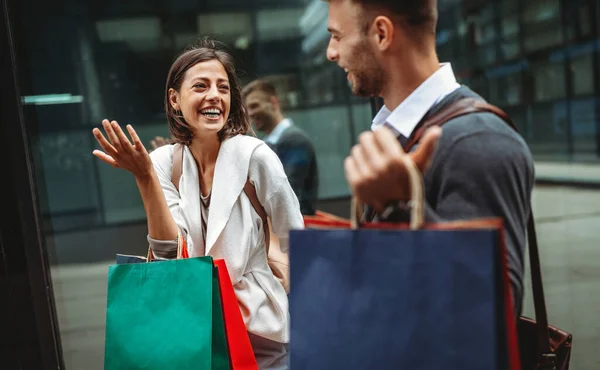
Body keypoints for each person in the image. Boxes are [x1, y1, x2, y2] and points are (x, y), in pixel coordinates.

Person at [92, 38, 303, 369]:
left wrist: (285, 285)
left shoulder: (256, 156)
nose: (214, 96)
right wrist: (145, 177)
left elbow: (296, 236)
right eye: (201, 86)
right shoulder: (162, 162)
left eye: (223, 87)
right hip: (194, 326)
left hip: (259, 328)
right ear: (175, 99)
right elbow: (168, 255)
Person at [326, 0, 535, 315]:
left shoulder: (478, 140)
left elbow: (491, 313)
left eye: (338, 36)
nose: (331, 52)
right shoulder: (400, 134)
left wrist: (401, 206)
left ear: (382, 34)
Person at [242, 80, 319, 216]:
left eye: (254, 106)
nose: (250, 113)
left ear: (273, 102)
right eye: (247, 109)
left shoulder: (295, 140)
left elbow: (289, 195)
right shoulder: (267, 144)